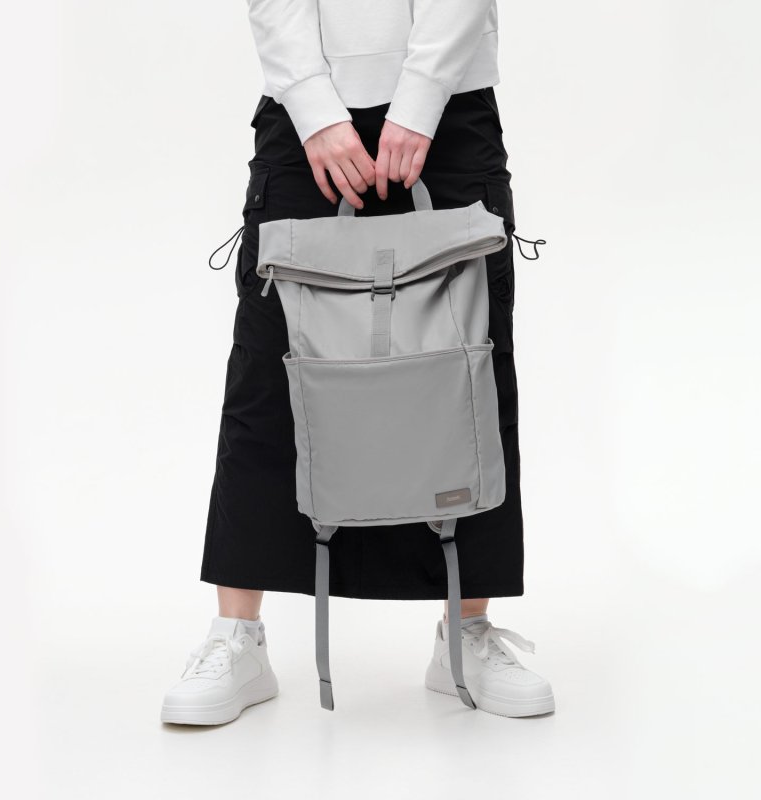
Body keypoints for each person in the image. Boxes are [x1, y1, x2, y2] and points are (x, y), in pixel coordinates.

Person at [160, 0, 555, 725]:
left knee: (466, 373)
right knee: (268, 373)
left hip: (451, 100)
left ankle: (465, 632)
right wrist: (314, 108)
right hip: (305, 116)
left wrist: (421, 95)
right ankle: (238, 635)